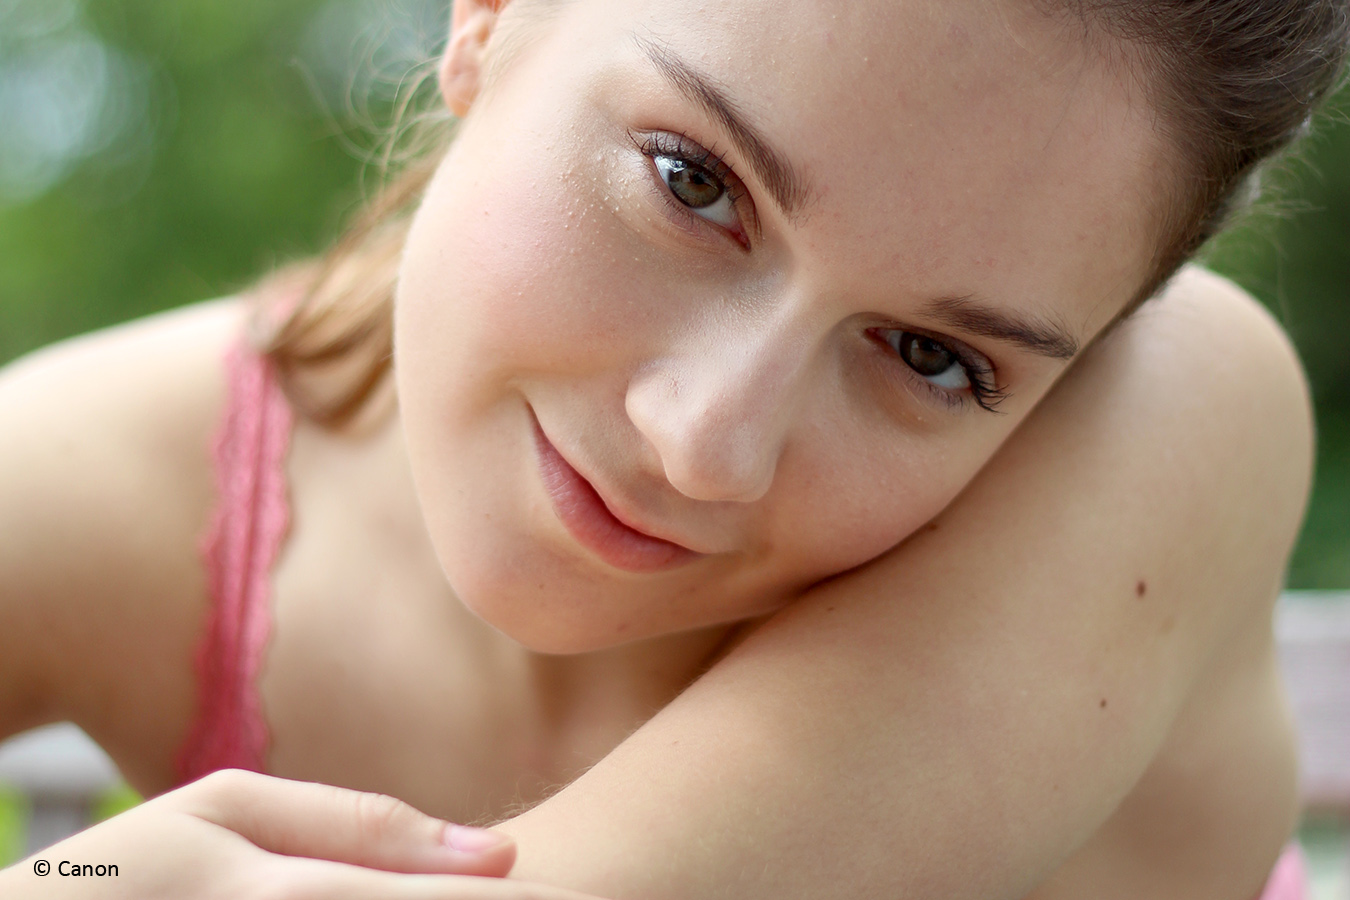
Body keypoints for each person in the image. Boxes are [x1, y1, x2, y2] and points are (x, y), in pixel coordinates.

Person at [0, 0, 1344, 896]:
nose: (706, 444)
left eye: (931, 358)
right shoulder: (130, 477)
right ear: (489, 15)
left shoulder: (1178, 411)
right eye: (691, 182)